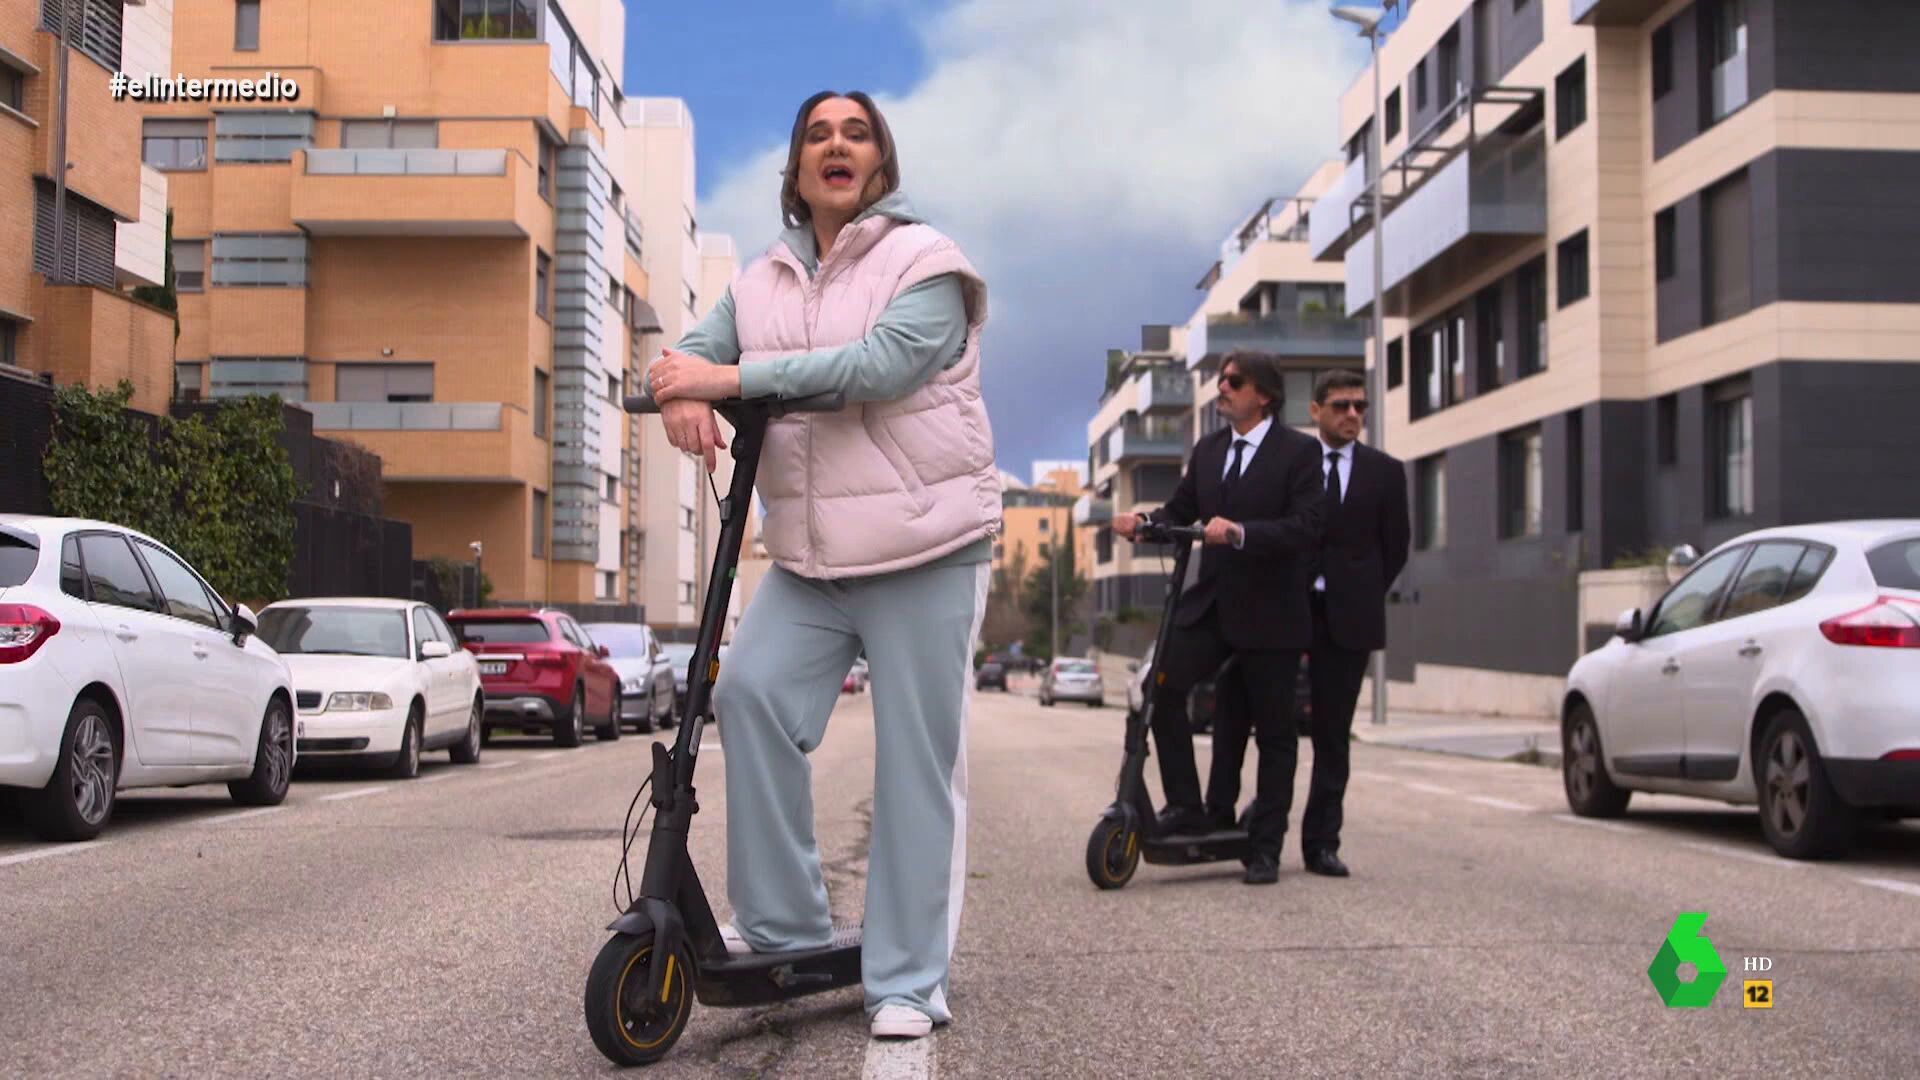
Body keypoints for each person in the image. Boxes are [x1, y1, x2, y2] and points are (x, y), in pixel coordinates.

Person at [643, 90, 999, 1041]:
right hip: (810, 557)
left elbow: (878, 368)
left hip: (927, 546)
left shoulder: (927, 262)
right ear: (797, 170)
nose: (836, 146)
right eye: (816, 135)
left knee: (917, 766)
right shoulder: (759, 281)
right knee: (750, 696)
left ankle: (910, 982)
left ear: (880, 162)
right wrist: (679, 383)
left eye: (856, 133)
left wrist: (725, 381)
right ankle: (787, 931)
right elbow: (691, 356)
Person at [1111, 352, 1325, 884]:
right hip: (1211, 605)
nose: (1222, 387)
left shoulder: (1298, 452)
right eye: (1221, 379)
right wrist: (1144, 525)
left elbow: (1307, 527)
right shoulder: (1208, 451)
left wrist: (1242, 533)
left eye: (1234, 381)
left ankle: (1266, 846)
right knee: (1159, 690)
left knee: (1273, 732)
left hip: (1272, 613)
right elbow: (1180, 511)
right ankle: (1186, 805)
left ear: (1264, 396)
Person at [1294, 369, 1410, 877]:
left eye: (1360, 407)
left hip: (1349, 622)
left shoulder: (1386, 473)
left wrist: (1356, 591)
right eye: (1341, 406)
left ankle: (1321, 843)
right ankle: (1260, 832)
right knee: (1274, 729)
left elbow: (1395, 548)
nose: (1352, 416)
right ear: (1315, 410)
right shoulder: (1292, 467)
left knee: (1332, 737)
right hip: (1289, 613)